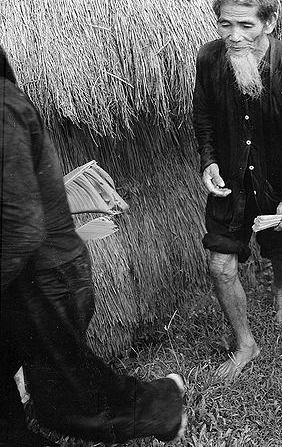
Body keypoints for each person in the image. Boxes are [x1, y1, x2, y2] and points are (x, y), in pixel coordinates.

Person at [0, 47, 186, 446]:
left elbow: (22, 227)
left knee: (66, 391)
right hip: (21, 276)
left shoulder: (2, 109)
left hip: (46, 277)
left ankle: (163, 407)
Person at [192, 0, 282, 383]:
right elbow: (205, 118)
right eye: (225, 24)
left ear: (269, 22)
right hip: (230, 181)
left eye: (245, 25)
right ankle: (246, 342)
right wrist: (209, 160)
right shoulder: (209, 59)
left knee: (279, 247)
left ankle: (281, 291)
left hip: (278, 184)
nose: (234, 35)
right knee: (219, 264)